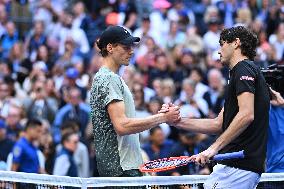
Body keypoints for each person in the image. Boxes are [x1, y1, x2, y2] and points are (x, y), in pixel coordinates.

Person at [162, 26, 270, 188]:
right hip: (236, 166)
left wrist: (213, 148)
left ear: (236, 43)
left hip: (238, 167)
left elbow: (247, 114)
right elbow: (218, 124)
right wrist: (177, 121)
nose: (219, 51)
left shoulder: (243, 68)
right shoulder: (241, 72)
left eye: (222, 44)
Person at [90, 25, 180, 177]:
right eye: (125, 47)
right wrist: (162, 118)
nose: (131, 51)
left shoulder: (109, 77)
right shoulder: (108, 78)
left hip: (121, 167)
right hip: (121, 169)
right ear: (110, 48)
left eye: (131, 47)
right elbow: (122, 126)